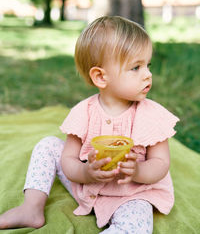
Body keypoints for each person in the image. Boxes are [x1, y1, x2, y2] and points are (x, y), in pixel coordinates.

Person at [0, 16, 179, 233]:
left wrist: (138, 170)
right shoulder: (83, 113)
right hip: (87, 186)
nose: (148, 75)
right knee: (48, 145)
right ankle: (31, 208)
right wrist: (87, 172)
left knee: (137, 223)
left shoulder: (151, 115)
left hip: (131, 194)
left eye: (147, 65)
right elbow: (68, 159)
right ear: (101, 77)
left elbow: (161, 163)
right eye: (136, 68)